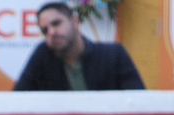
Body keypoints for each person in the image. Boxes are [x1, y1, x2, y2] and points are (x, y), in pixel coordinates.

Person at [14, 2, 145, 91]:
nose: (51, 32)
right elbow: (18, 100)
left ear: (75, 22)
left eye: (56, 23)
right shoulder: (43, 55)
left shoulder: (114, 55)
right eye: (45, 30)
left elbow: (138, 101)